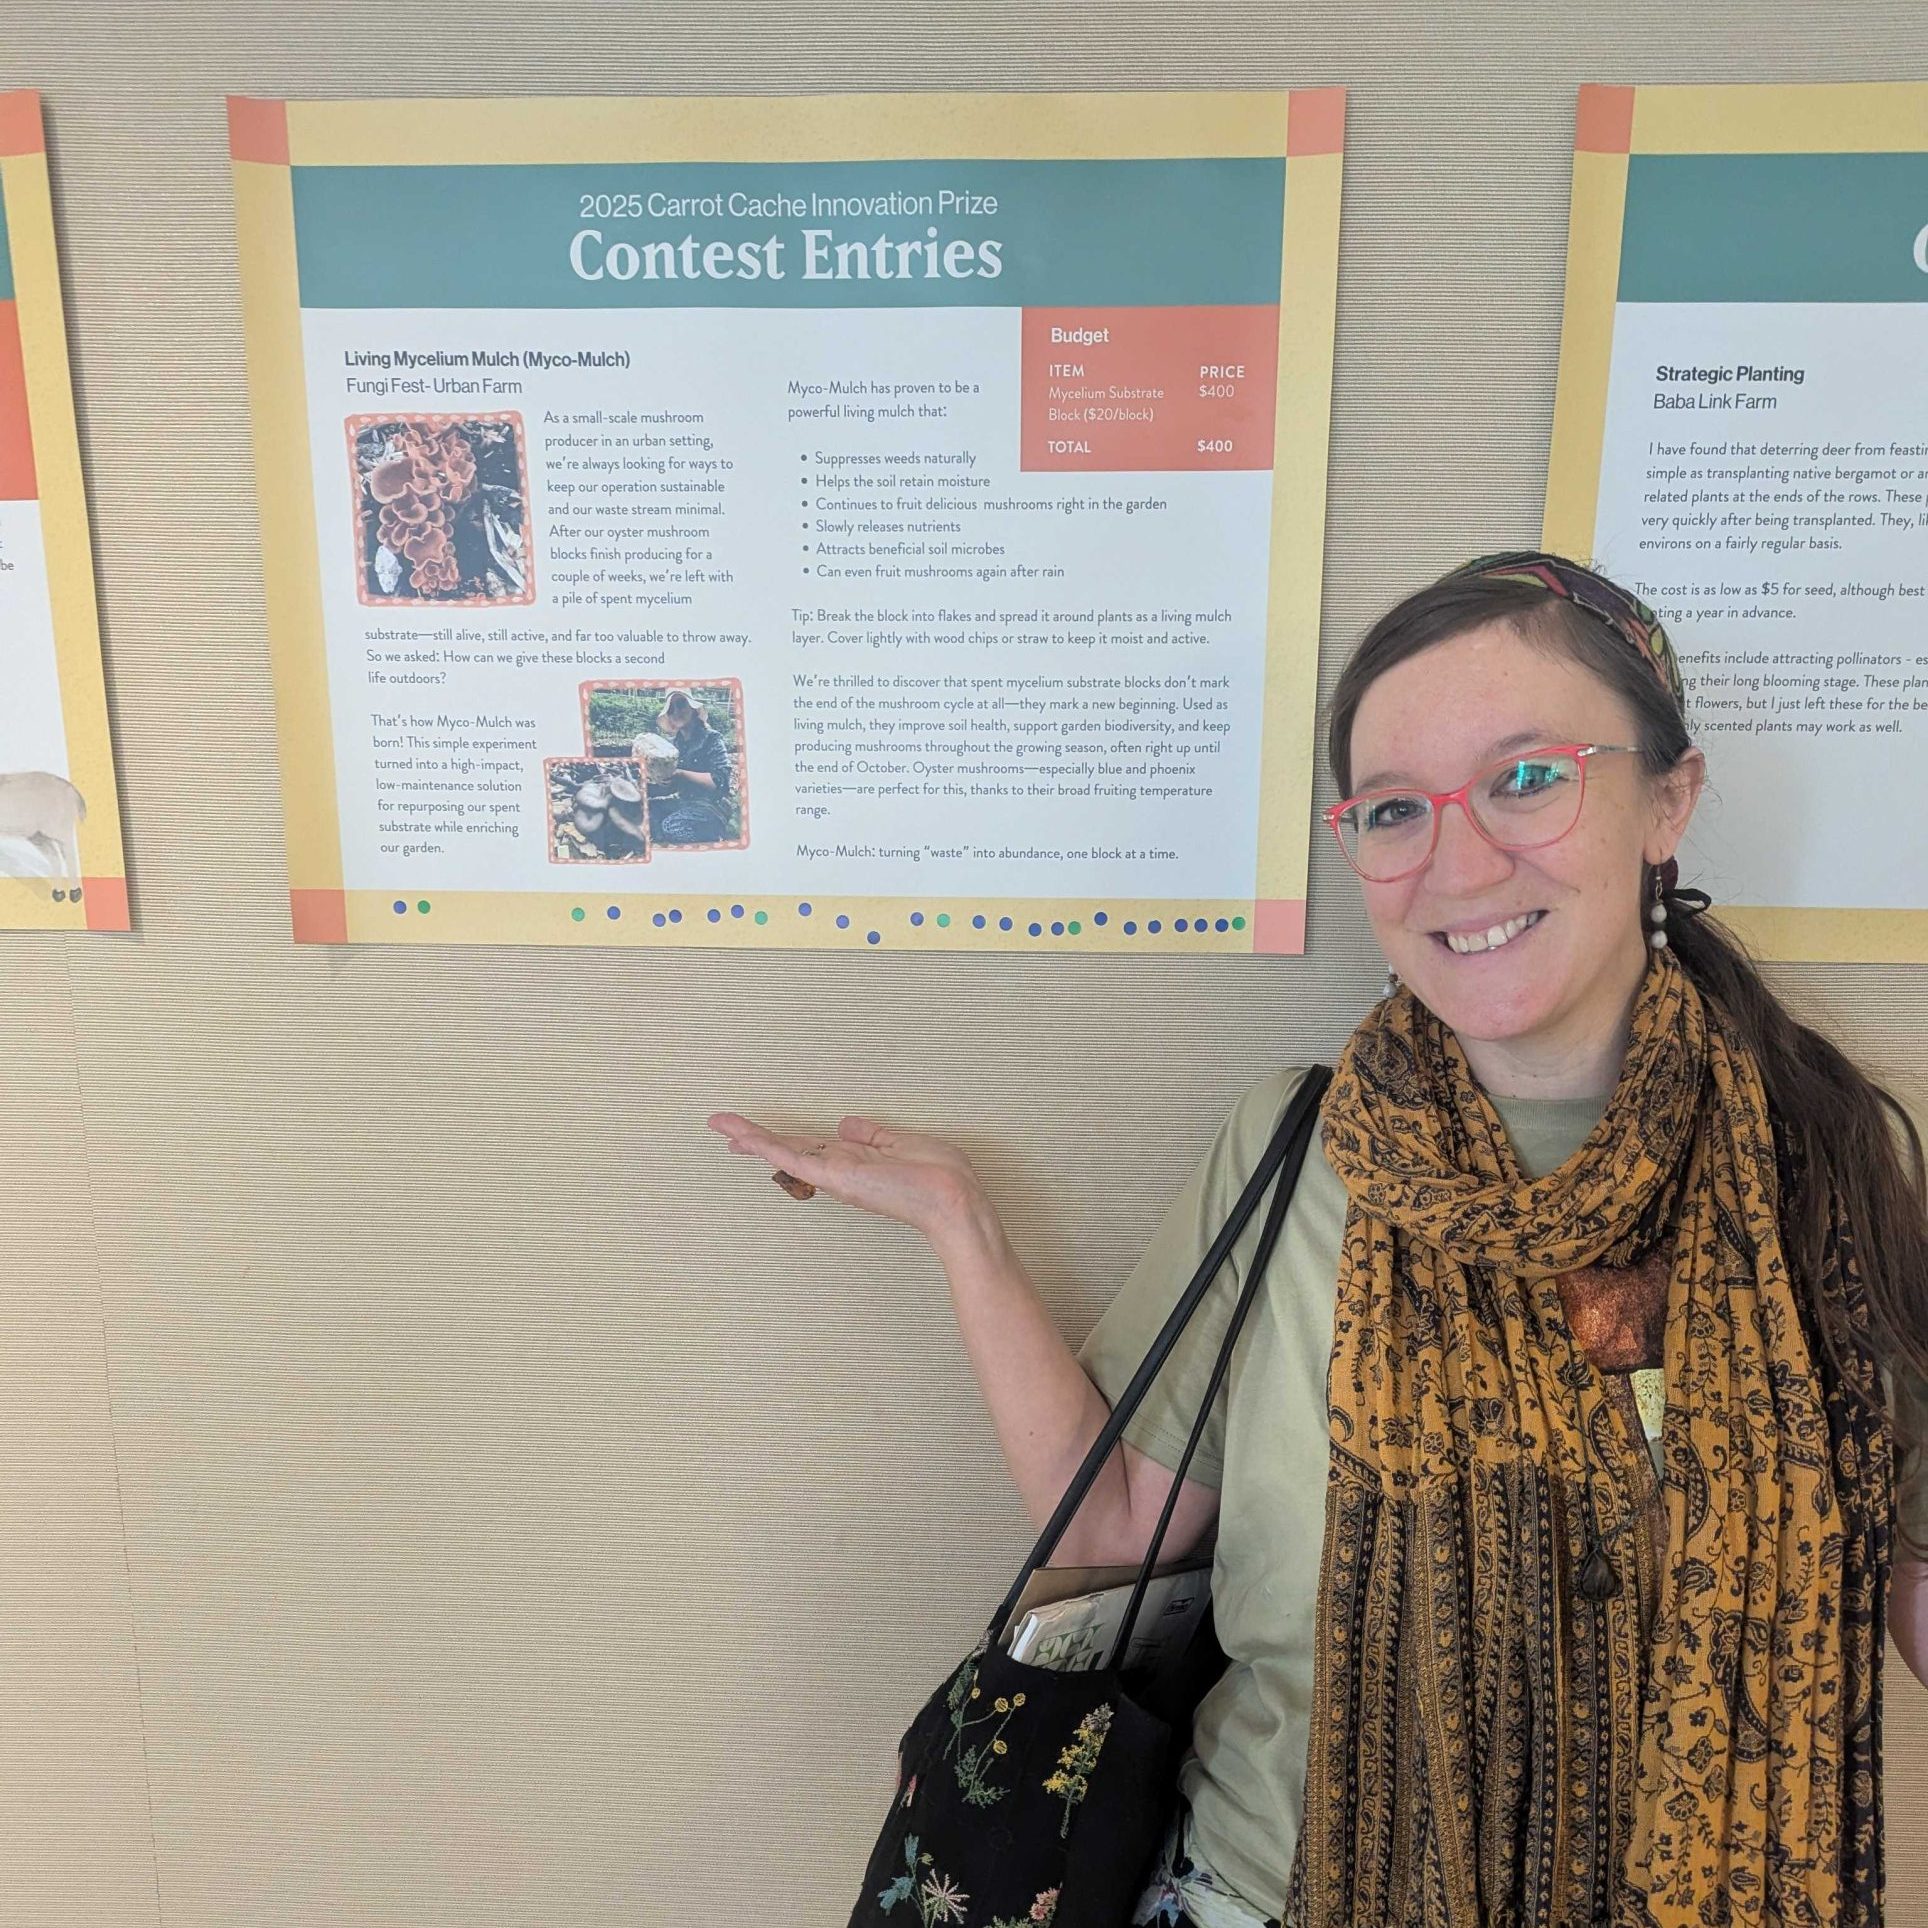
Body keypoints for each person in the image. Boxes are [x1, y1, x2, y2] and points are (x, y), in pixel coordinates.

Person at [709, 553, 1928, 1928]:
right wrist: (965, 1230)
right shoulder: (1299, 1149)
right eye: (1395, 809)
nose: (1458, 863)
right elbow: (1113, 1528)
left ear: (1668, 799)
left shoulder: (1820, 1165)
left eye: (1528, 778)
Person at [647, 689, 735, 845]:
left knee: (671, 827)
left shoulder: (711, 738)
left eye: (681, 704)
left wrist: (681, 773)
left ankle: (712, 839)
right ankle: (666, 841)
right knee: (646, 811)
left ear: (693, 710)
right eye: (671, 709)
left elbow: (721, 782)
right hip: (684, 802)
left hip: (711, 806)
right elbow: (672, 786)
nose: (676, 712)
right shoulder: (674, 745)